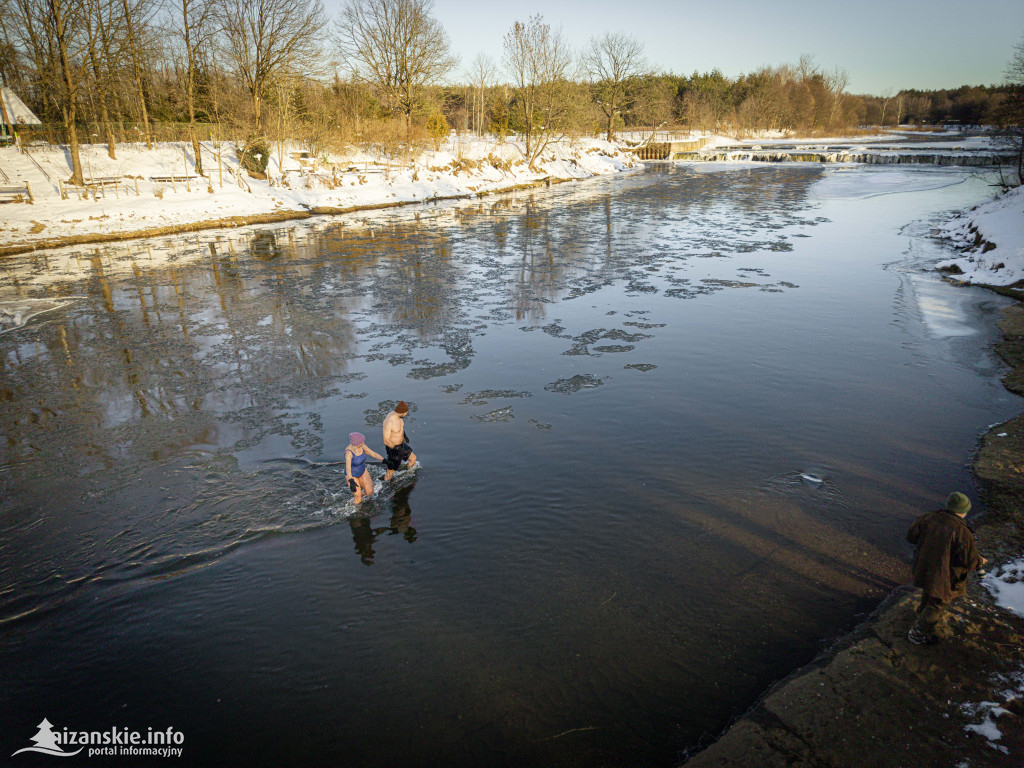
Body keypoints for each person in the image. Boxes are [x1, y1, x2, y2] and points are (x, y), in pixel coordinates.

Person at [906, 491, 986, 645]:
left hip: (924, 567)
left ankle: (921, 616)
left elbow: (911, 537)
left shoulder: (928, 517)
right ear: (964, 511)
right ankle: (917, 634)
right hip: (945, 576)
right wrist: (980, 561)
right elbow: (969, 561)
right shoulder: (962, 531)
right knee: (938, 603)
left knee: (929, 591)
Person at [345, 432, 384, 504]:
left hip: (362, 470)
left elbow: (373, 454)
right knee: (358, 497)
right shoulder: (349, 452)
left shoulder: (362, 446)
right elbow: (348, 469)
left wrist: (384, 460)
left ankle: (360, 493)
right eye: (361, 441)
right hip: (352, 475)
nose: (363, 442)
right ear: (356, 443)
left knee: (370, 492)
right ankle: (354, 508)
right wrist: (351, 481)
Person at [382, 400, 416, 481]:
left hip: (401, 445)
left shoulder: (398, 416)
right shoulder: (389, 422)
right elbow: (386, 441)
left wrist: (405, 436)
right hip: (393, 449)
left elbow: (400, 429)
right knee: (391, 471)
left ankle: (408, 476)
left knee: (413, 458)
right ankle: (386, 484)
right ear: (401, 412)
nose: (406, 414)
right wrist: (397, 449)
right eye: (406, 412)